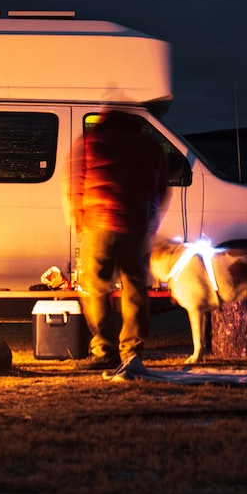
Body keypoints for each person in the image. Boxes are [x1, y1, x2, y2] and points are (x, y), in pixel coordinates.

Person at [65, 109, 172, 373]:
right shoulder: (149, 145)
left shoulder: (90, 141)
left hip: (98, 223)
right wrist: (151, 219)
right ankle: (132, 351)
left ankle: (104, 350)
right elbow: (161, 186)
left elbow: (75, 181)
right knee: (135, 289)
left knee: (96, 287)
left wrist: (77, 216)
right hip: (135, 225)